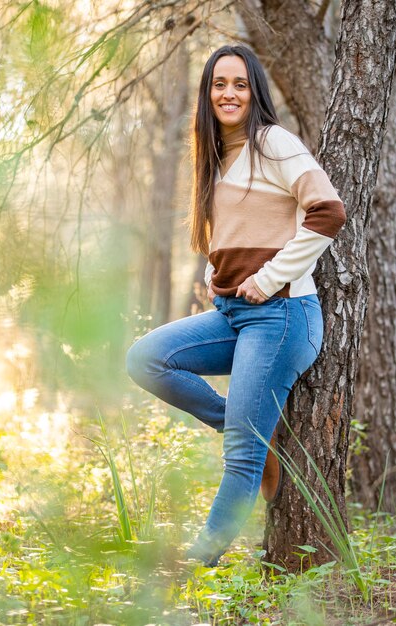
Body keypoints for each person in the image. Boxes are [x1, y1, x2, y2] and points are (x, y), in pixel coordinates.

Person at [126, 44, 346, 567]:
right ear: (207, 93)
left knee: (240, 456)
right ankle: (249, 429)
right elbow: (231, 229)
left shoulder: (273, 143)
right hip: (234, 314)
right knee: (146, 359)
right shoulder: (214, 154)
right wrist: (214, 271)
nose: (229, 93)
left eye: (240, 84)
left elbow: (328, 212)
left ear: (255, 93)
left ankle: (195, 570)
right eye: (219, 84)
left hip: (284, 315)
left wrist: (269, 278)